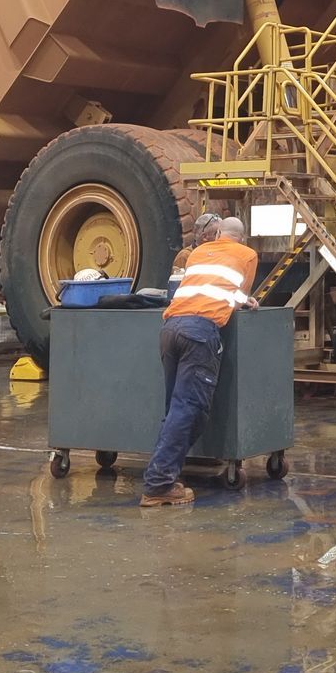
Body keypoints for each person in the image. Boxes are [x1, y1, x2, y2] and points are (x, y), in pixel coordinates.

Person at [142, 216, 259, 507]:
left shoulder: (196, 253)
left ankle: (166, 473)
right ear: (242, 239)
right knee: (189, 410)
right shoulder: (247, 255)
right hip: (200, 332)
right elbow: (238, 294)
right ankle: (158, 484)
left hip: (171, 328)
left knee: (174, 410)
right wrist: (247, 301)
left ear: (217, 233)